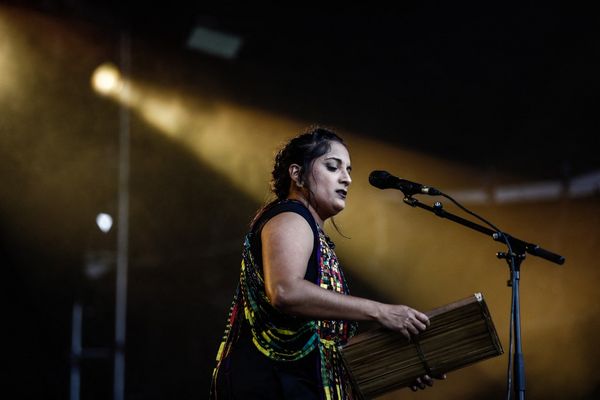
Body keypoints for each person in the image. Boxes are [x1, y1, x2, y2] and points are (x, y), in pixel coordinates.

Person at [210, 127, 440, 399]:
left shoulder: (312, 232)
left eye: (349, 170)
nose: (347, 179)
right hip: (272, 384)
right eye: (333, 167)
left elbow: (320, 341)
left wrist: (396, 363)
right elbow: (285, 291)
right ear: (297, 174)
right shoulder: (291, 216)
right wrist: (381, 311)